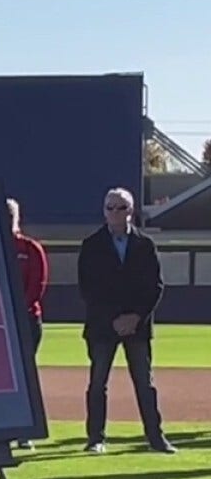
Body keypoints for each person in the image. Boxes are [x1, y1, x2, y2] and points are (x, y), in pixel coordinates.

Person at [75, 187, 175, 454]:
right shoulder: (91, 245)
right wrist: (113, 319)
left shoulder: (144, 245)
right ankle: (96, 438)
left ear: (130, 211)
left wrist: (136, 317)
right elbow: (88, 288)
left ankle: (155, 438)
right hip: (103, 327)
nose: (114, 213)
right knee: (98, 383)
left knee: (145, 383)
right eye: (109, 208)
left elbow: (155, 286)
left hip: (137, 327)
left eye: (120, 208)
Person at [8, 197, 48, 450]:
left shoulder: (30, 248)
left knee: (25, 375)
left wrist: (18, 309)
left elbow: (38, 283)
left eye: (9, 213)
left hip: (26, 320)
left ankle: (25, 430)